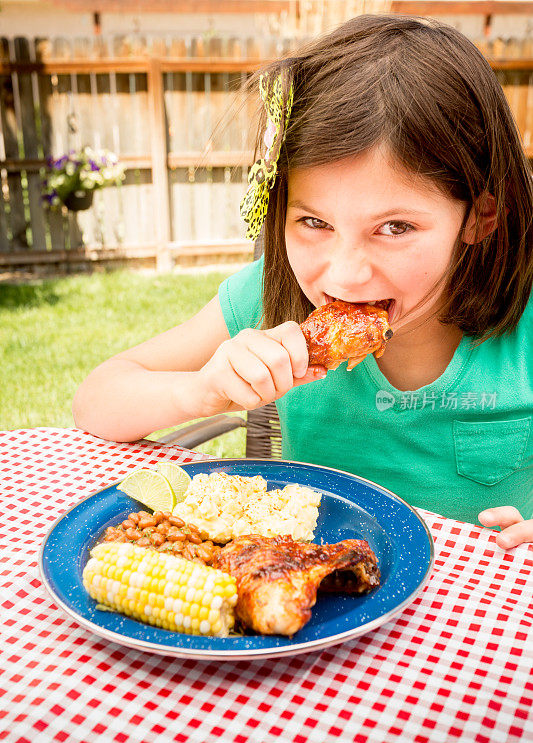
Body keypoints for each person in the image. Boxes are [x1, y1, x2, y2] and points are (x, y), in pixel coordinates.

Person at [73, 15, 532, 548]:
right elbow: (96, 399)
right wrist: (202, 390)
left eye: (395, 228)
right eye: (314, 223)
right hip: (310, 596)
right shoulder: (268, 298)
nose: (344, 273)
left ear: (480, 217)